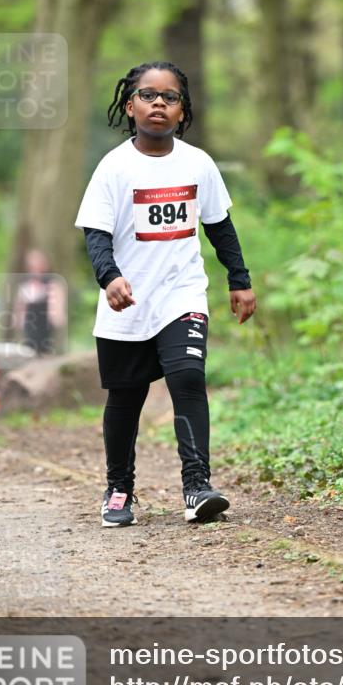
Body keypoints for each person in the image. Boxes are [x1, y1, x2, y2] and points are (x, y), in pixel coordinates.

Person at [74, 61, 256, 528]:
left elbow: (219, 226)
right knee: (125, 397)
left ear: (182, 110)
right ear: (130, 105)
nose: (159, 103)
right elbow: (95, 233)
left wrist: (240, 279)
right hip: (127, 301)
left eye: (170, 97)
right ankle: (118, 489)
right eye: (148, 95)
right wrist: (109, 278)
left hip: (182, 294)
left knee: (188, 378)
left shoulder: (198, 163)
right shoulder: (114, 167)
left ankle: (197, 486)